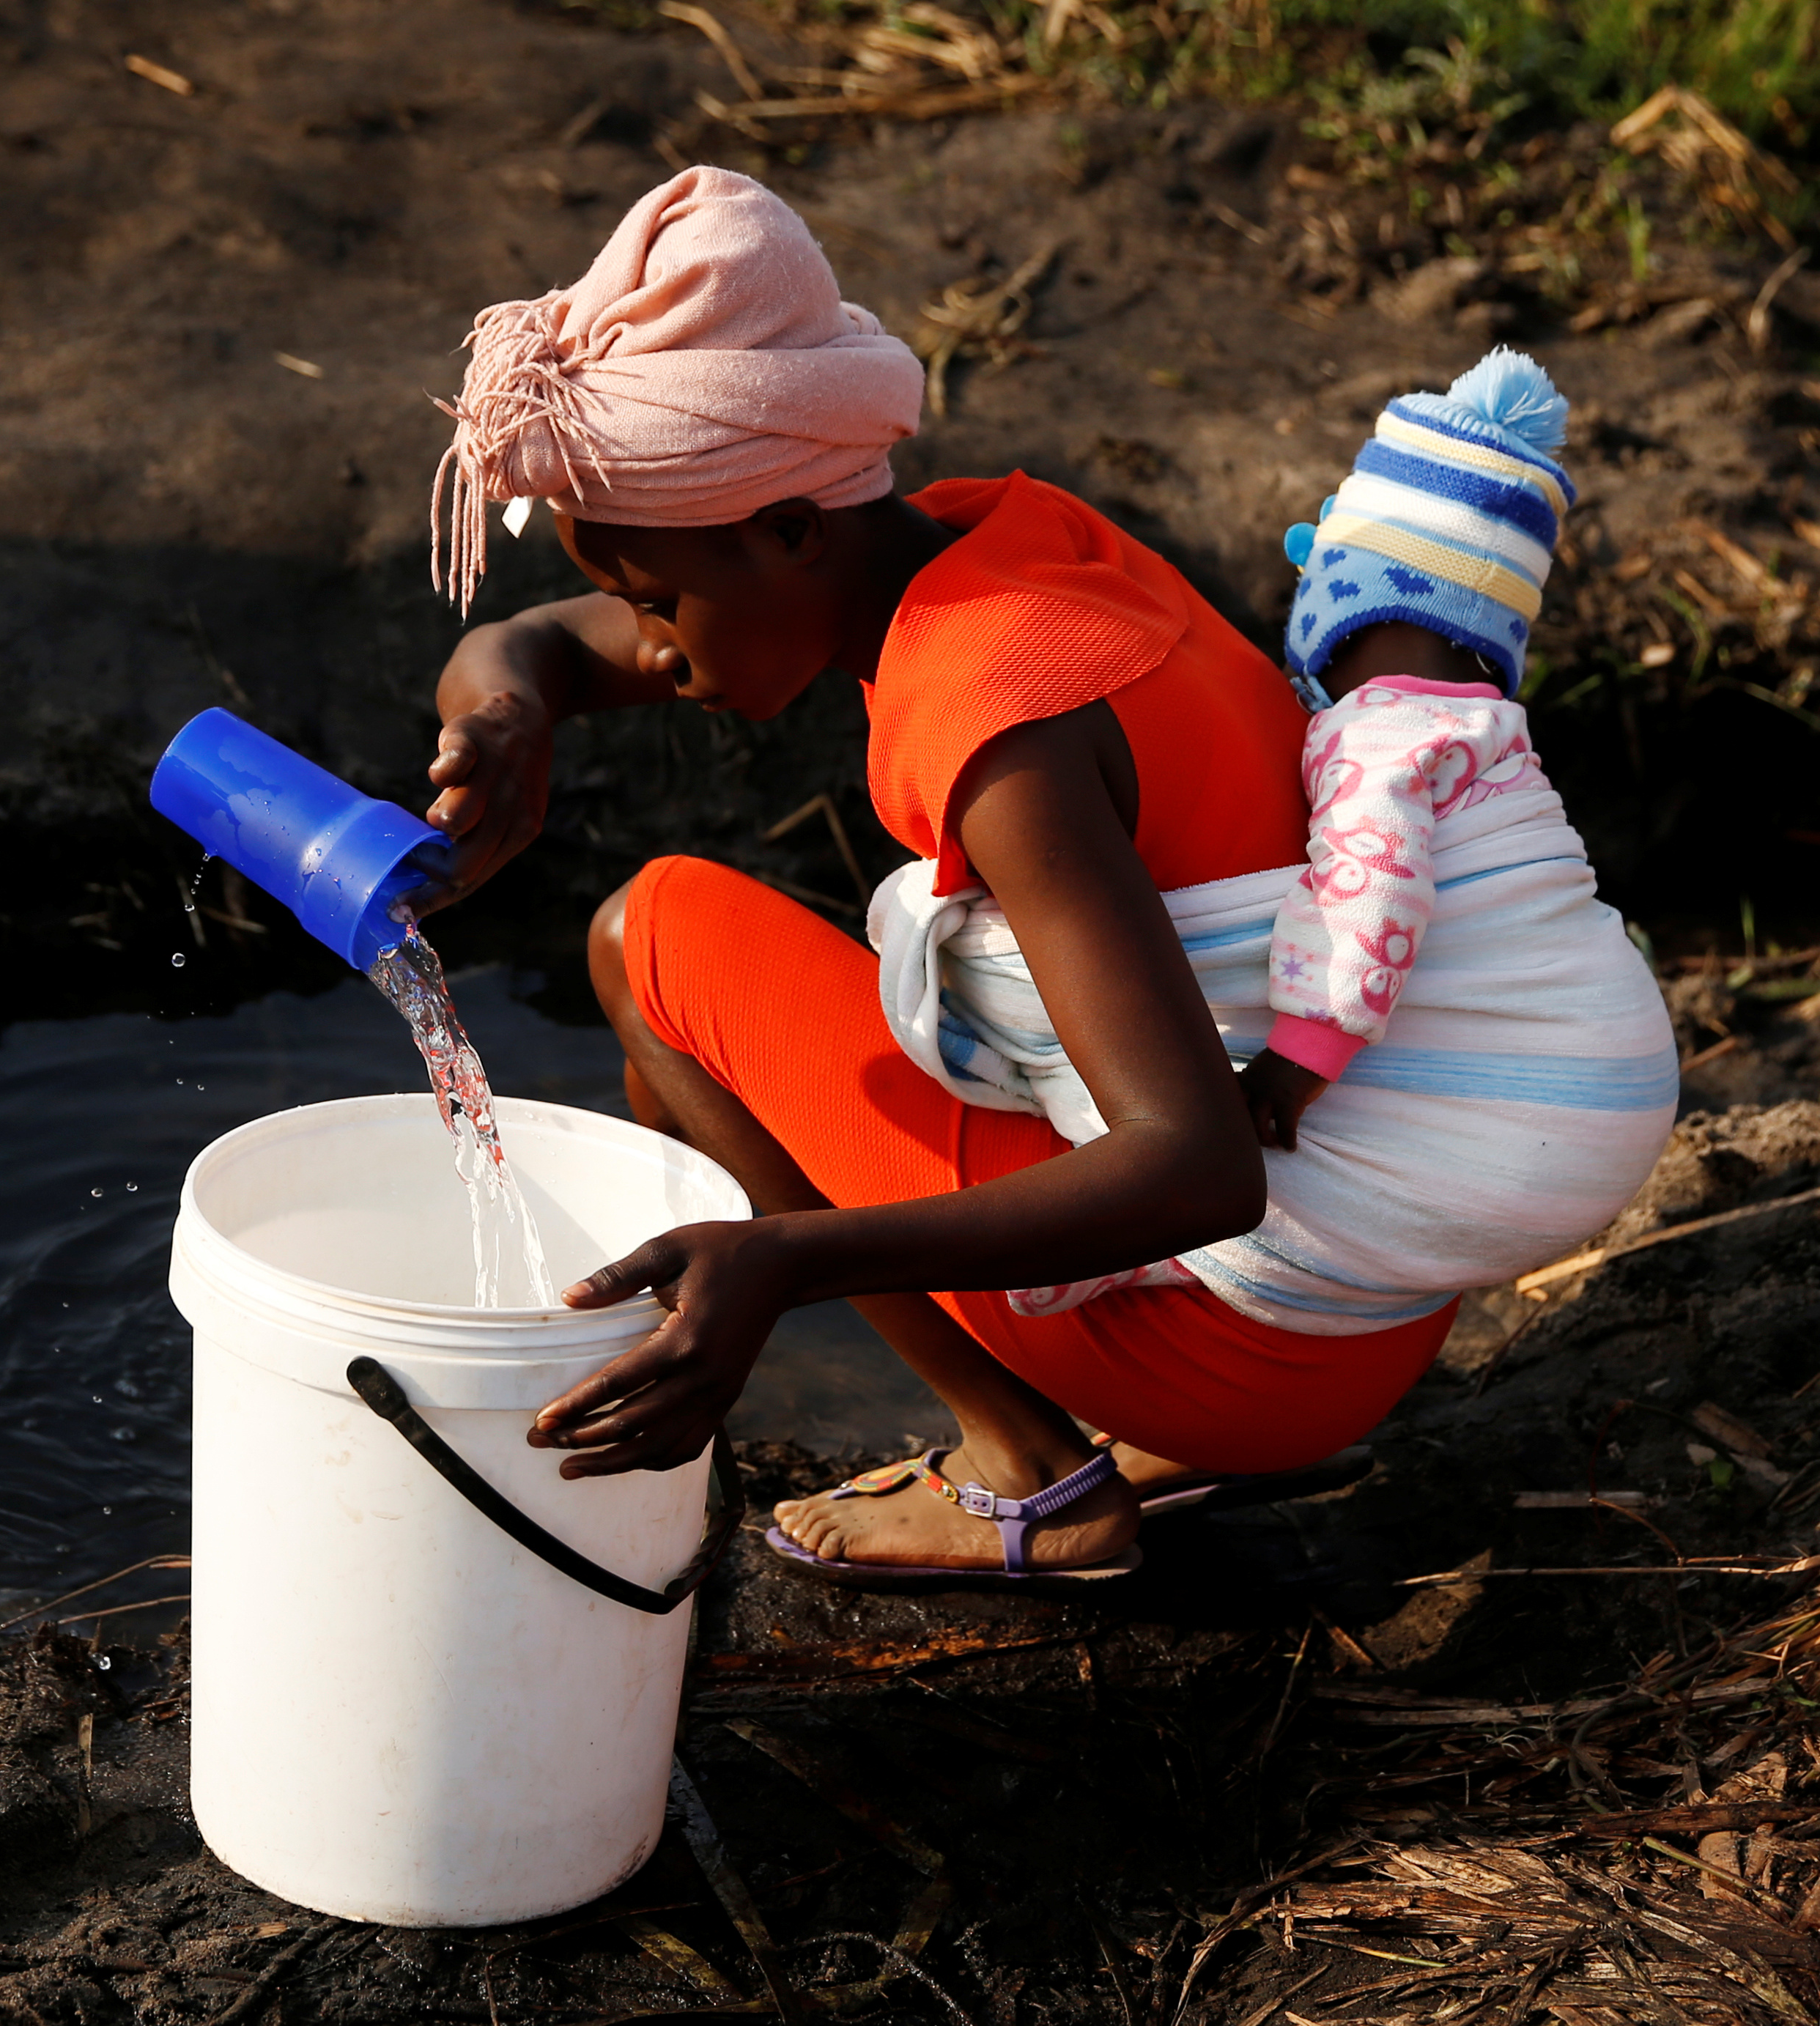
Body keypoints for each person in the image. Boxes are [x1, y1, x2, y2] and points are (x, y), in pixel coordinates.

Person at [413, 166, 1673, 1583]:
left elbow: (1195, 1168)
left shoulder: (1000, 722)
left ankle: (1022, 1469)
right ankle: (1067, 1419)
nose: (647, 642)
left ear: (785, 531)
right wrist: (507, 711)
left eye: (655, 599)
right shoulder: (1006, 548)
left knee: (647, 939)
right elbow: (547, 643)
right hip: (1372, 1290)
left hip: (1252, 1340)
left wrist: (780, 1265)